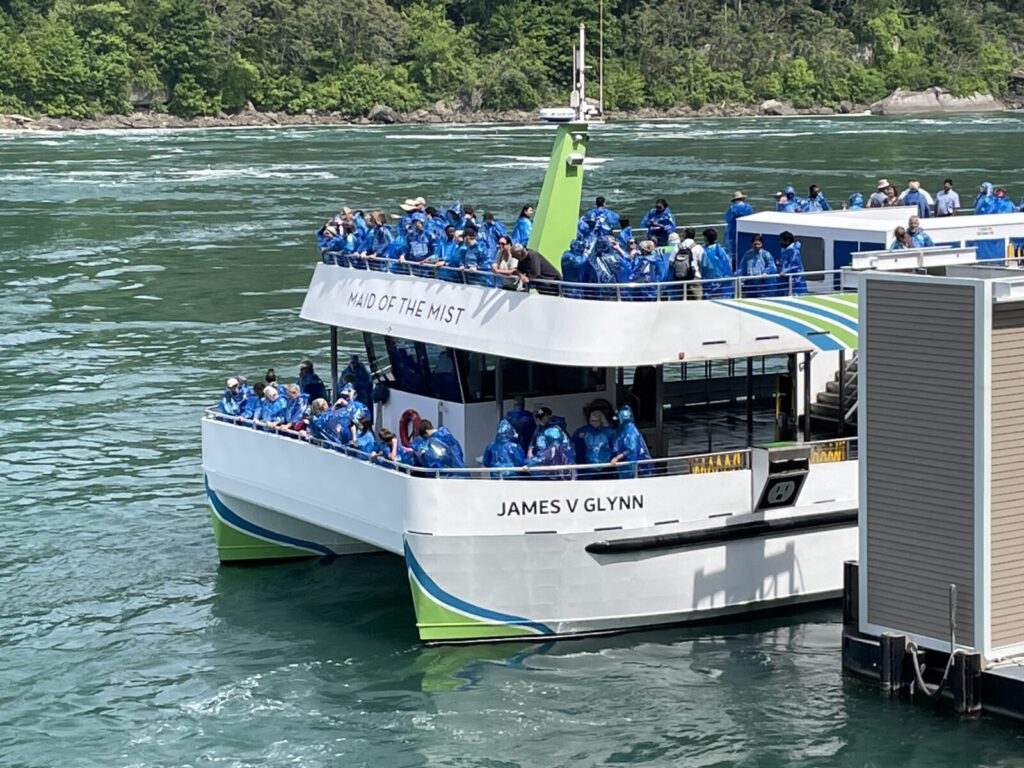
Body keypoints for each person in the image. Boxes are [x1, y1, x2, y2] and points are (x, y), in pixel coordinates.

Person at [610, 405, 652, 479]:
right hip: (626, 466)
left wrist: (617, 458)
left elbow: (630, 449)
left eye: (618, 419)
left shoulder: (630, 430)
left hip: (631, 467)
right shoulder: (624, 429)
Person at [572, 409, 616, 475]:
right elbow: (573, 439)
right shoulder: (584, 430)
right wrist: (578, 437)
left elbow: (614, 437)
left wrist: (605, 423)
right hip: (588, 466)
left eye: (596, 421)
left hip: (605, 466)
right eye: (592, 421)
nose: (594, 423)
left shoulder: (607, 431)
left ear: (601, 421)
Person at [701, 228, 734, 299]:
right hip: (725, 284)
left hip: (711, 285)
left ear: (706, 238)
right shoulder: (721, 250)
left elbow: (704, 268)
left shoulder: (706, 252)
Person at [676, 227, 704, 300]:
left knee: (682, 300)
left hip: (680, 278)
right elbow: (702, 263)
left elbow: (671, 262)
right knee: (699, 300)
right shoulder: (698, 247)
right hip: (695, 276)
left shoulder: (677, 247)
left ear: (684, 235)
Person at [724, 191, 754, 255]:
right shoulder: (749, 207)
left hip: (735, 232)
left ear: (734, 200)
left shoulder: (732, 208)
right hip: (748, 232)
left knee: (735, 251)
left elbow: (728, 219)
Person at [777, 231, 807, 295]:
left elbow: (796, 265)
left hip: (796, 280)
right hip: (786, 280)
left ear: (787, 240)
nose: (780, 242)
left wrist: (785, 271)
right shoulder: (784, 250)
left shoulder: (794, 250)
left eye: (781, 240)